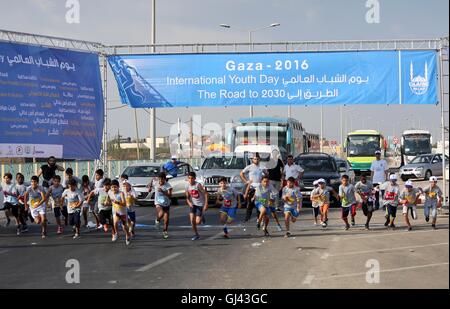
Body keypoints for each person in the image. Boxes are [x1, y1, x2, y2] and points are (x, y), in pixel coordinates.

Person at [241, 153, 267, 223]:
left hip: (259, 188)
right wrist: (246, 181)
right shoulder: (250, 167)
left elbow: (266, 174)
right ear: (252, 160)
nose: (256, 160)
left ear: (259, 159)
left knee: (259, 202)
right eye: (255, 159)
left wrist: (265, 175)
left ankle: (259, 218)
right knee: (250, 203)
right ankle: (247, 218)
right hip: (252, 187)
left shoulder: (262, 167)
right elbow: (241, 173)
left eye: (258, 159)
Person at [185, 172, 208, 241]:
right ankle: (196, 234)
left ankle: (202, 217)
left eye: (192, 178)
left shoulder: (198, 185)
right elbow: (187, 197)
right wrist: (189, 202)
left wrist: (206, 204)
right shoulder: (187, 186)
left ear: (194, 178)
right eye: (189, 178)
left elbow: (206, 194)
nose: (190, 180)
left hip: (200, 205)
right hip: (193, 205)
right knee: (192, 220)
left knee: (197, 222)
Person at [109, 179, 131, 245]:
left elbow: (124, 203)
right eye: (112, 187)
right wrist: (107, 202)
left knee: (124, 227)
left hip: (123, 212)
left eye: (115, 187)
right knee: (115, 222)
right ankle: (116, 234)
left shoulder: (121, 193)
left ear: (118, 187)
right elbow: (109, 199)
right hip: (115, 211)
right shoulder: (110, 192)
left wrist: (117, 202)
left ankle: (127, 235)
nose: (114, 188)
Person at [151, 172, 173, 239]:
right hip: (158, 202)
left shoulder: (168, 186)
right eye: (159, 179)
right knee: (161, 212)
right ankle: (157, 220)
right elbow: (151, 182)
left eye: (162, 180)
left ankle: (165, 231)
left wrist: (163, 191)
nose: (160, 181)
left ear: (165, 179)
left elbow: (170, 196)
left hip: (166, 203)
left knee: (166, 219)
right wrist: (149, 187)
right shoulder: (156, 182)